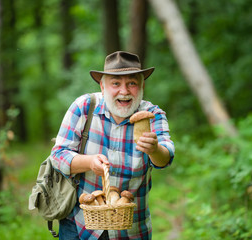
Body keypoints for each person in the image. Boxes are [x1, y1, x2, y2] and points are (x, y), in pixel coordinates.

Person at [51, 51, 175, 239]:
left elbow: (165, 159)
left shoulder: (152, 115)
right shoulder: (84, 107)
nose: (124, 91)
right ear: (102, 86)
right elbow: (57, 156)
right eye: (116, 83)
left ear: (142, 86)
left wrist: (155, 149)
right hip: (79, 225)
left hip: (132, 229)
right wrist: (89, 162)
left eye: (132, 83)